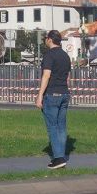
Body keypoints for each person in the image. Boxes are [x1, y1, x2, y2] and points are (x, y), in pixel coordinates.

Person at [35, 29, 71, 169]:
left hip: (52, 94)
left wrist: (39, 96)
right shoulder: (65, 56)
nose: (45, 40)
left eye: (46, 38)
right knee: (61, 126)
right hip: (64, 93)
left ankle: (58, 158)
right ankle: (61, 155)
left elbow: (46, 76)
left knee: (52, 127)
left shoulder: (49, 55)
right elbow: (68, 76)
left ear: (50, 39)